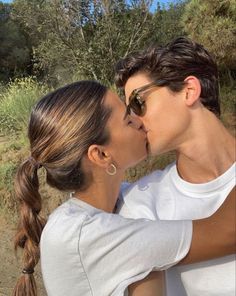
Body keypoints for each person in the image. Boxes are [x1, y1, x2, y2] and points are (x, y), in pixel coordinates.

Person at [13, 80, 235, 296]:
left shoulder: (110, 207)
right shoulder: (84, 234)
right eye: (127, 120)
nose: (139, 120)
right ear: (101, 155)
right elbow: (226, 231)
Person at [115, 37, 236, 296]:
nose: (134, 121)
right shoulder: (140, 203)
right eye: (129, 113)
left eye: (138, 103)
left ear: (189, 91)